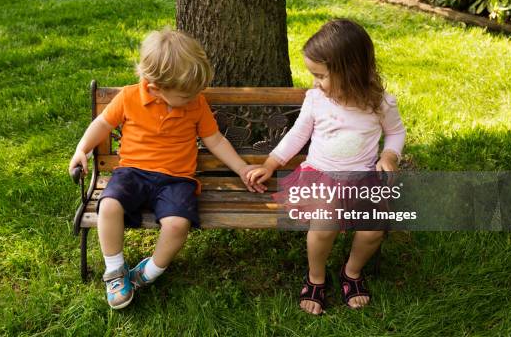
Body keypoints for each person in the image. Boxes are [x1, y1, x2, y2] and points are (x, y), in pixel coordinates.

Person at [69, 28, 263, 309]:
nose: (194, 97)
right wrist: (81, 149)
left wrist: (243, 169)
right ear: (153, 87)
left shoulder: (196, 104)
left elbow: (216, 140)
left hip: (176, 180)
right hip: (132, 172)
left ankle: (147, 273)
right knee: (108, 205)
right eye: (186, 95)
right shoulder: (129, 97)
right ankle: (115, 271)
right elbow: (102, 124)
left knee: (178, 225)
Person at [247, 19, 406, 315]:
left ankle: (352, 272)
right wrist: (271, 163)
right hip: (319, 176)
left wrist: (389, 156)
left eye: (321, 75)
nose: (315, 82)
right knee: (324, 223)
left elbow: (396, 133)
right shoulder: (316, 99)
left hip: (362, 178)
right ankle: (316, 278)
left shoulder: (380, 103)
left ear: (351, 70)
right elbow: (297, 134)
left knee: (373, 230)